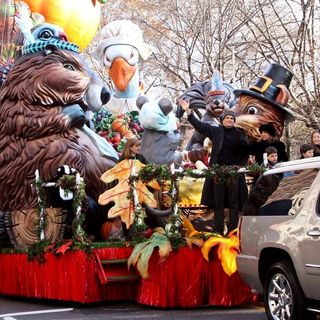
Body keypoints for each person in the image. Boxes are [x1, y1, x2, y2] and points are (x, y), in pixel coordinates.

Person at [178, 99, 249, 235]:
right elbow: (199, 126)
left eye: (231, 118)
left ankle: (233, 230)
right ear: (222, 120)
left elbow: (246, 149)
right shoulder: (216, 131)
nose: (229, 120)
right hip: (218, 172)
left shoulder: (239, 134)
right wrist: (188, 111)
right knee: (218, 202)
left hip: (233, 172)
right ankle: (218, 230)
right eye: (227, 118)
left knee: (234, 203)